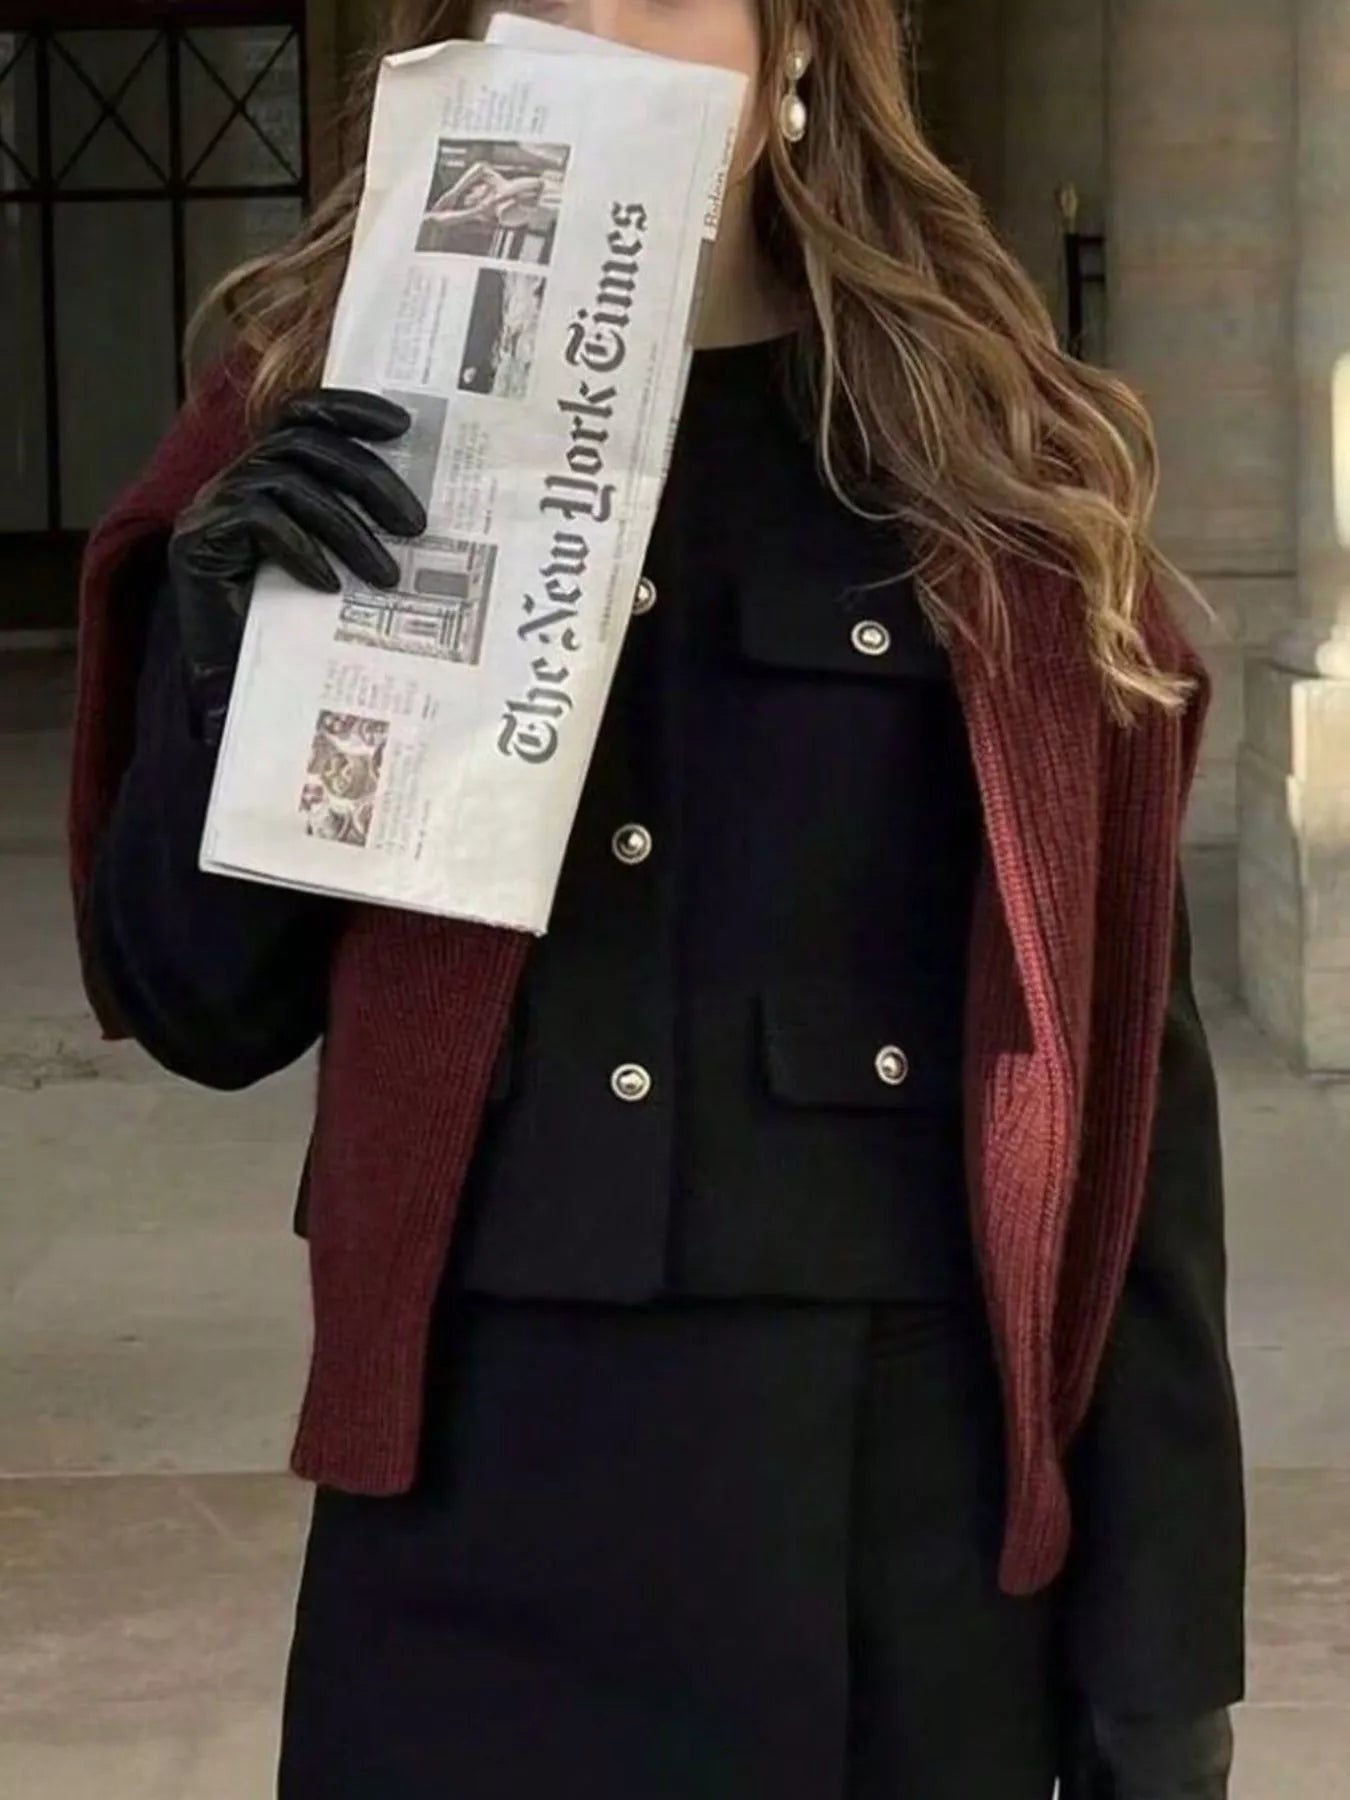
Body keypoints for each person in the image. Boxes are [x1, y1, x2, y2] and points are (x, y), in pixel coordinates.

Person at [67, 1, 1245, 1795]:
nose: (607, 34)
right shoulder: (317, 398)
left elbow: (1121, 1079)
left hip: (884, 1522)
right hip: (466, 1499)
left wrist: (1161, 1653)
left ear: (797, 46)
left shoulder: (989, 452)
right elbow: (197, 1007)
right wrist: (231, 663)